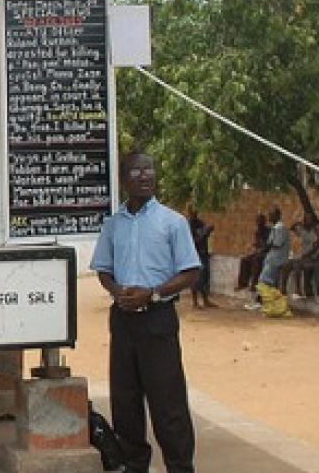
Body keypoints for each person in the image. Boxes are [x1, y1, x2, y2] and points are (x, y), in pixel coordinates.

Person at [91, 152, 201, 473]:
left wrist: (151, 295)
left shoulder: (172, 222)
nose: (145, 175)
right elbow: (104, 270)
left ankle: (180, 467)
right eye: (137, 170)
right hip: (123, 322)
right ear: (124, 178)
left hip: (158, 321)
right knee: (125, 404)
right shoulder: (113, 224)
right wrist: (118, 294)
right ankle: (134, 465)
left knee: (168, 405)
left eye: (149, 169)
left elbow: (190, 272)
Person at [278, 216, 319, 296]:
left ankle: (298, 290)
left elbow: (315, 247)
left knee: (297, 266)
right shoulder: (302, 231)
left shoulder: (314, 233)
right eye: (306, 220)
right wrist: (298, 224)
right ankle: (283, 289)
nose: (308, 222)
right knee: (285, 266)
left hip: (309, 257)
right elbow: (292, 227)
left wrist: (306, 255)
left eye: (309, 220)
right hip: (300, 256)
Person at [187, 209, 217, 308]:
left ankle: (205, 300)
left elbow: (204, 237)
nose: (194, 214)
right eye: (192, 212)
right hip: (194, 254)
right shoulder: (188, 225)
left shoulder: (200, 223)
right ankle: (195, 302)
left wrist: (207, 233)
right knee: (195, 277)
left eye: (195, 212)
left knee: (204, 277)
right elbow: (192, 241)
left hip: (203, 253)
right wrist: (204, 233)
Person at [235, 213, 270, 291]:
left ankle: (254, 284)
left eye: (260, 221)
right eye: (257, 221)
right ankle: (243, 283)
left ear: (264, 222)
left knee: (256, 260)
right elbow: (257, 244)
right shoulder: (258, 232)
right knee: (244, 259)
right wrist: (255, 246)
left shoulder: (268, 231)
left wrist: (260, 246)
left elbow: (268, 245)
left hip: (267, 253)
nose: (258, 223)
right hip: (259, 252)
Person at [258, 207, 290, 290]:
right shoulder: (275, 228)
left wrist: (266, 245)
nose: (269, 216)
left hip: (277, 259)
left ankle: (261, 301)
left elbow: (277, 244)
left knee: (264, 280)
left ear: (277, 216)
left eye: (271, 215)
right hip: (272, 258)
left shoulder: (280, 228)